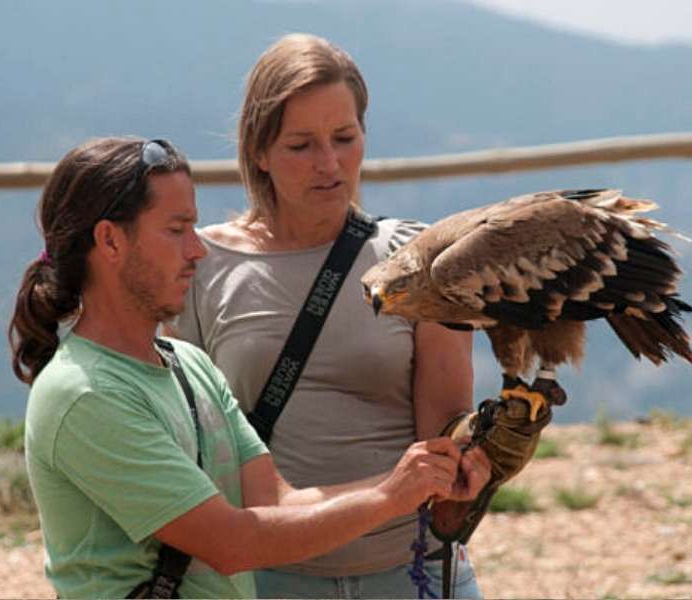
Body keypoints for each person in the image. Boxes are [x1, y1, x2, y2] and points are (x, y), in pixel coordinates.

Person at [8, 136, 490, 599]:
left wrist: (424, 477)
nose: (197, 250)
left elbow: (273, 503)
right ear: (110, 241)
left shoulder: (189, 365)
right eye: (176, 230)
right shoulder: (85, 394)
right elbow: (232, 543)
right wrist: (390, 495)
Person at [168, 33, 490, 599]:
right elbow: (191, 445)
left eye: (345, 137)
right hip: (265, 580)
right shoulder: (200, 267)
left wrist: (473, 456)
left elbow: (444, 425)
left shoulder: (418, 261)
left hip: (414, 570)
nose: (329, 163)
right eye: (301, 145)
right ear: (259, 152)